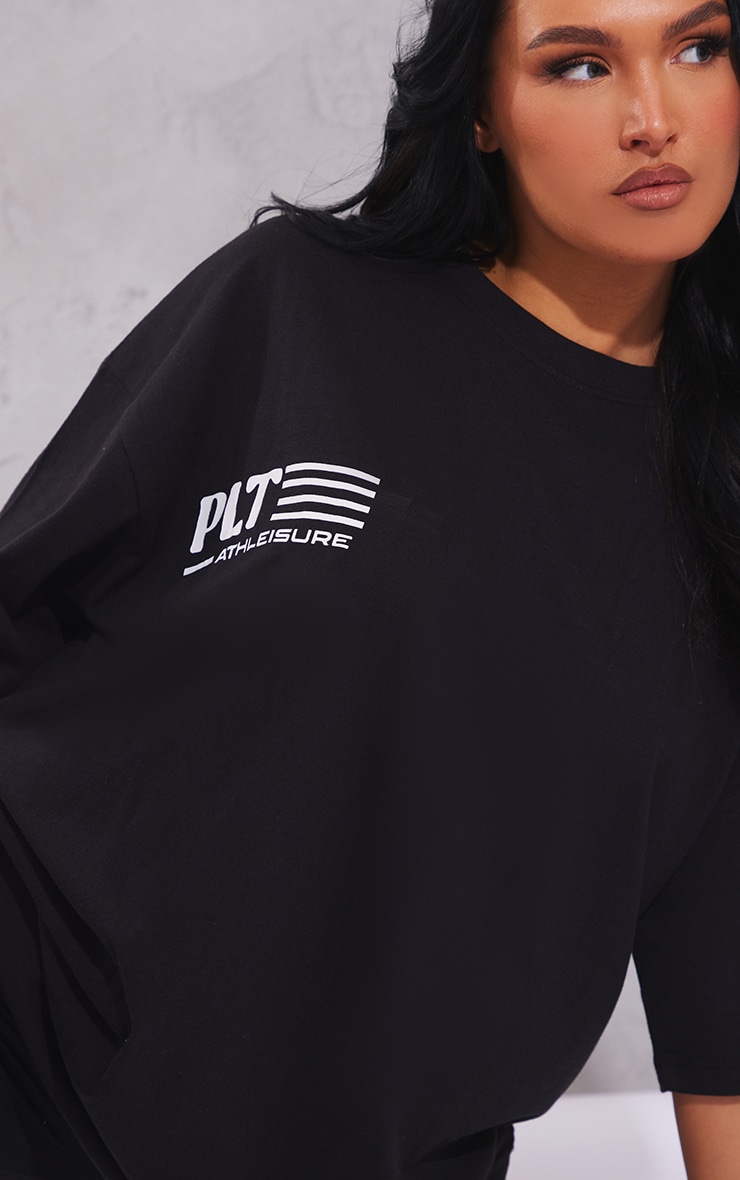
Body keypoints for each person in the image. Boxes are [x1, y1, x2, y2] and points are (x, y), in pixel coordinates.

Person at [1, 0, 740, 1175]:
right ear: (481, 111)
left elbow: (719, 997)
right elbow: (21, 600)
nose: (651, 119)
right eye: (577, 65)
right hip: (31, 1049)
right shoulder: (292, 303)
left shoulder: (718, 503)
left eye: (697, 48)